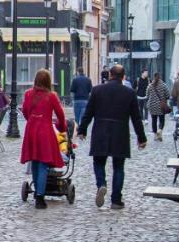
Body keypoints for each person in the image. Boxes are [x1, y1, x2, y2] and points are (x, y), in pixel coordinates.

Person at [77, 64, 147, 209]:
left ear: (110, 75)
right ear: (123, 77)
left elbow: (88, 112)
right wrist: (142, 138)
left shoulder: (97, 90)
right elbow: (136, 118)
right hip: (120, 132)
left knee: (98, 162)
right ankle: (116, 200)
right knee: (119, 167)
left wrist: (82, 129)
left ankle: (101, 184)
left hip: (100, 131)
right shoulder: (129, 93)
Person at [20, 68, 67, 209]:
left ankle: (36, 192)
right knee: (43, 164)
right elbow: (60, 114)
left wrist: (31, 120)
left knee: (35, 161)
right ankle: (40, 196)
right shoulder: (51, 96)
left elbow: (25, 111)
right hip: (45, 131)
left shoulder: (28, 94)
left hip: (31, 130)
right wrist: (62, 127)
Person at [145, 72, 170, 141]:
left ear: (153, 77)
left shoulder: (150, 86)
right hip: (161, 106)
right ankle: (160, 130)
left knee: (154, 120)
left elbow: (147, 95)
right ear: (160, 77)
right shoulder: (163, 85)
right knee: (162, 120)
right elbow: (168, 95)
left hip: (152, 105)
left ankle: (155, 135)